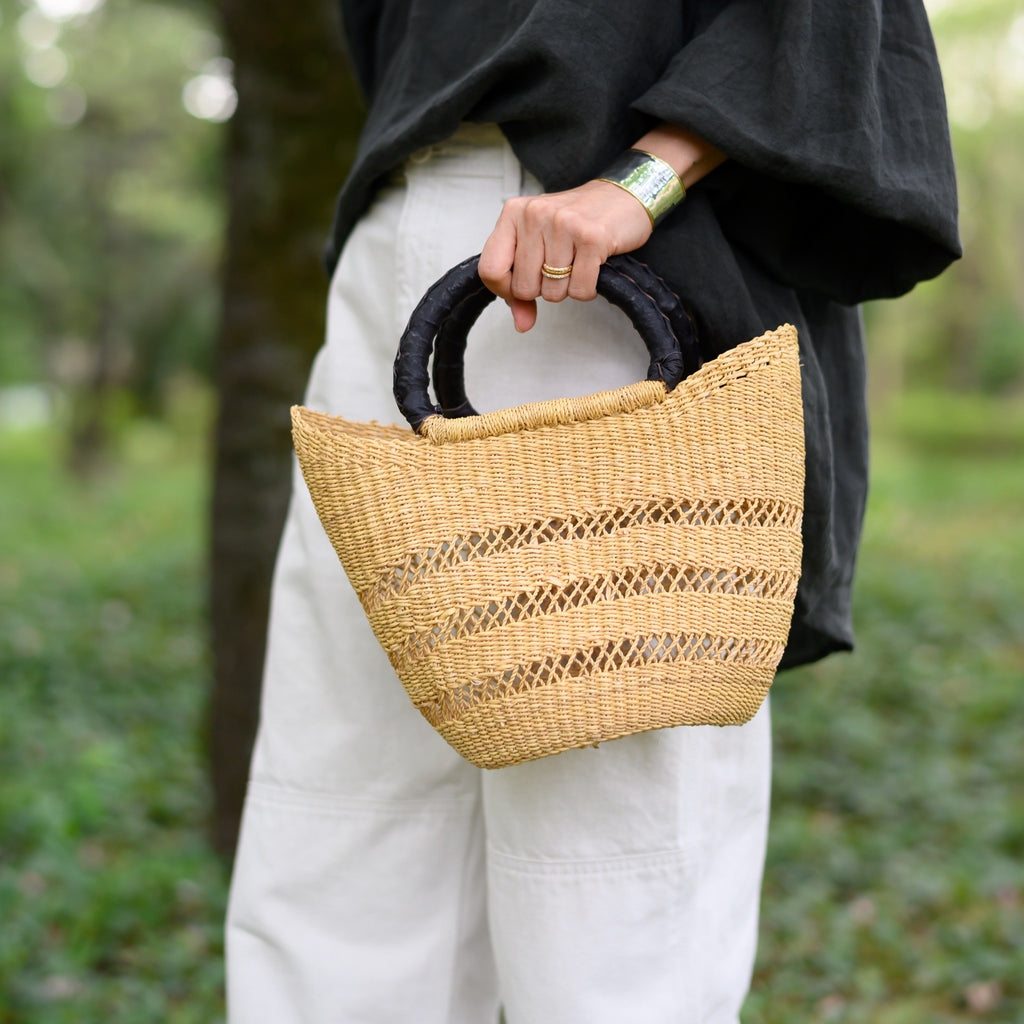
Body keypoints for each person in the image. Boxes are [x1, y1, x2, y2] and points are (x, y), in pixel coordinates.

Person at [225, 2, 960, 1021]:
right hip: (405, 223)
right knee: (342, 811)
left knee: (607, 852)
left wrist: (647, 175)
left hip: (597, 242)